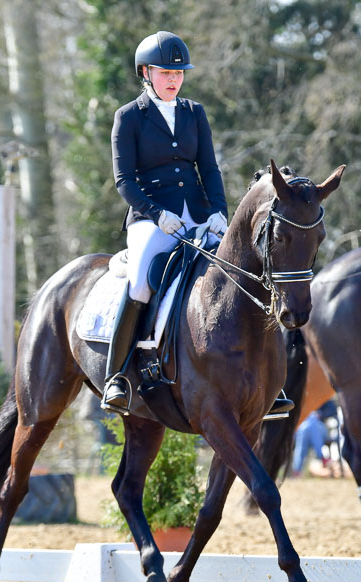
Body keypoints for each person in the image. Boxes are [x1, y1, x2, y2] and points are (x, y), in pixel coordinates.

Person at [101, 31, 228, 414]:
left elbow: (209, 168)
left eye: (179, 73)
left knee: (237, 271)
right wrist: (158, 214)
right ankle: (117, 376)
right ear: (146, 73)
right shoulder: (128, 117)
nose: (174, 79)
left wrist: (219, 211)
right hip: (152, 217)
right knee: (141, 280)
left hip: (199, 213)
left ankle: (264, 375)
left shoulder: (194, 112)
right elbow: (124, 180)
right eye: (165, 72)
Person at [291, 399, 337, 476]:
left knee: (312, 423)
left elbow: (333, 410)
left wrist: (321, 414)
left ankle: (297, 470)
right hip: (304, 427)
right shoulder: (303, 398)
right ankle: (322, 457)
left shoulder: (324, 398)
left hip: (321, 427)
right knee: (309, 424)